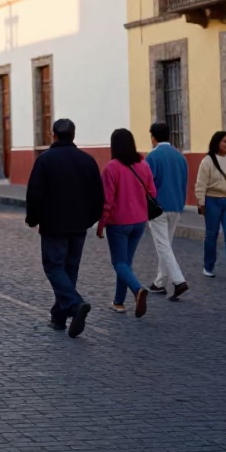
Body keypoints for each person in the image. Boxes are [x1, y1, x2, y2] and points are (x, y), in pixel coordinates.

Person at [24, 118, 104, 337]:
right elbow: (98, 195)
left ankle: (74, 304)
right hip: (79, 225)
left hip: (53, 225)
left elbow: (35, 194)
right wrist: (90, 219)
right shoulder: (87, 161)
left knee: (53, 266)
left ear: (54, 135)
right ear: (74, 135)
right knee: (70, 269)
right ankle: (59, 316)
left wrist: (33, 218)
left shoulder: (45, 160)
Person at [99, 128, 157, 317]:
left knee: (119, 262)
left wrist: (101, 225)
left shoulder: (111, 168)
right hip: (139, 221)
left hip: (118, 223)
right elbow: (153, 193)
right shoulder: (143, 164)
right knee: (126, 262)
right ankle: (119, 302)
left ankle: (137, 289)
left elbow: (107, 201)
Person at [146, 122, 189, 300]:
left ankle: (178, 281)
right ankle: (160, 282)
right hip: (176, 205)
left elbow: (148, 184)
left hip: (158, 207)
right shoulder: (180, 156)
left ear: (153, 137)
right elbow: (184, 181)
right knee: (166, 245)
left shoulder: (153, 157)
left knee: (162, 245)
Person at [195, 131, 226, 280]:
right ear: (217, 143)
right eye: (225, 141)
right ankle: (208, 266)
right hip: (212, 201)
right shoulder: (207, 161)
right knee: (212, 234)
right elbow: (201, 184)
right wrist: (201, 203)